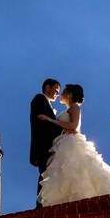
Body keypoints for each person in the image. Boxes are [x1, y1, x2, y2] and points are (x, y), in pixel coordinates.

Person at [36, 83, 110, 207]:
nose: (61, 94)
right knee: (65, 175)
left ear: (70, 94)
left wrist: (50, 120)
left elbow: (73, 126)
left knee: (76, 172)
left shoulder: (75, 107)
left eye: (64, 91)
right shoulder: (69, 109)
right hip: (64, 143)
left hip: (71, 143)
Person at [29, 78, 63, 209]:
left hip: (48, 146)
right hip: (44, 146)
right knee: (45, 174)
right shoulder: (39, 99)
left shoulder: (45, 103)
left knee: (47, 173)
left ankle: (45, 203)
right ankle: (41, 205)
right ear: (47, 87)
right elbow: (43, 125)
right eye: (56, 89)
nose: (57, 93)